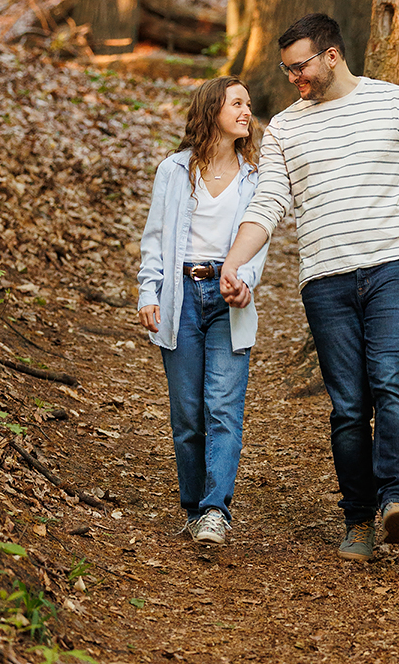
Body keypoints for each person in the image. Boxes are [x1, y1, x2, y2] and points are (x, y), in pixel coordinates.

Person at [220, 14, 399, 562]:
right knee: (348, 405)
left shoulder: (398, 104)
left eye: (301, 66)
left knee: (391, 380)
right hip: (325, 280)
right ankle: (358, 518)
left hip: (395, 267)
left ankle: (397, 498)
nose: (294, 77)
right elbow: (269, 203)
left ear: (332, 55)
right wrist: (234, 260)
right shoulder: (285, 128)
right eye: (287, 69)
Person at [138, 77, 268, 546]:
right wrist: (148, 293)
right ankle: (193, 505)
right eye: (237, 103)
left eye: (248, 105)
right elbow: (154, 238)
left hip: (228, 296)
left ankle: (216, 509)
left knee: (223, 409)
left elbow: (258, 242)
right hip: (181, 297)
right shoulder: (174, 170)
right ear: (212, 109)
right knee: (188, 415)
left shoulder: (256, 177)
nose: (245, 111)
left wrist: (245, 283)